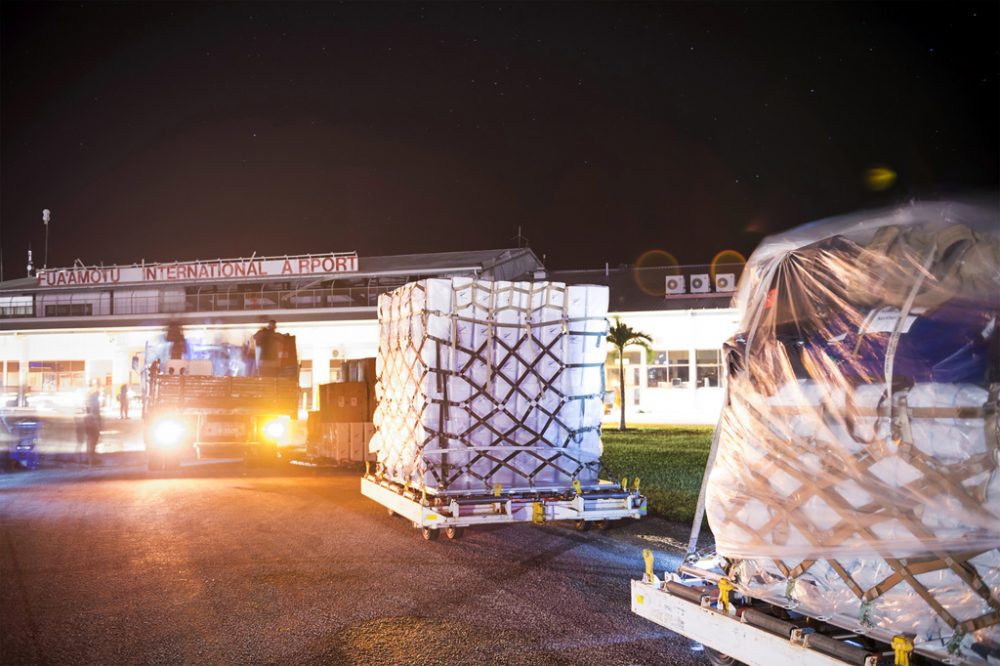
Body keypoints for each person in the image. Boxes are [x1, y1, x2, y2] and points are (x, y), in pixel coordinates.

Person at [84, 381, 102, 466]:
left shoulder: (91, 396)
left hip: (92, 424)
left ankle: (91, 460)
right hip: (93, 424)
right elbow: (95, 410)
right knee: (92, 442)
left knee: (91, 442)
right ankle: (91, 461)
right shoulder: (94, 397)